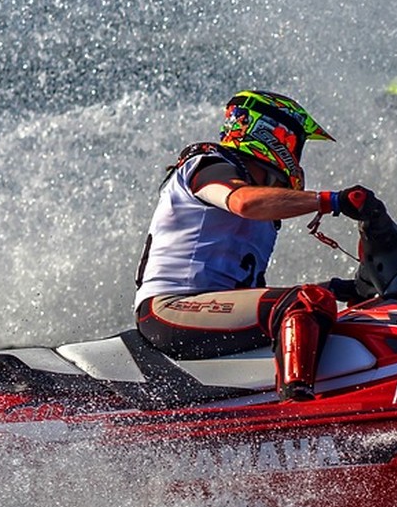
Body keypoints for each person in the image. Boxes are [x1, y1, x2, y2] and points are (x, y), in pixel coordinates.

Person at [134, 90, 373, 402]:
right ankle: (298, 412)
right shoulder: (208, 166)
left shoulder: (266, 211)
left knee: (320, 301)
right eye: (297, 142)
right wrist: (331, 200)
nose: (297, 155)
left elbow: (246, 295)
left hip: (206, 308)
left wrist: (340, 288)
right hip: (169, 309)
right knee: (304, 301)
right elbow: (243, 202)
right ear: (272, 132)